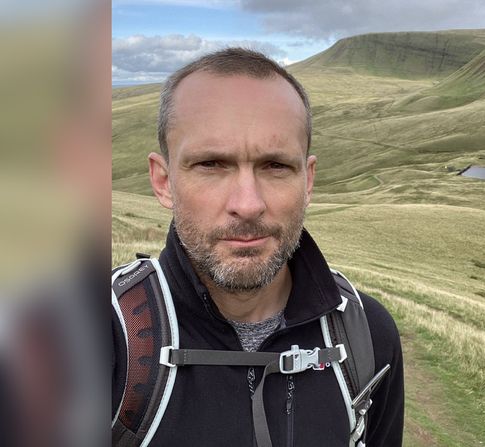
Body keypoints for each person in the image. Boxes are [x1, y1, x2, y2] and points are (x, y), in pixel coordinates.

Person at [112, 48, 404, 446]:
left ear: (307, 181)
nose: (248, 204)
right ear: (163, 182)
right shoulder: (90, 341)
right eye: (211, 164)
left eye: (276, 166)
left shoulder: (367, 333)